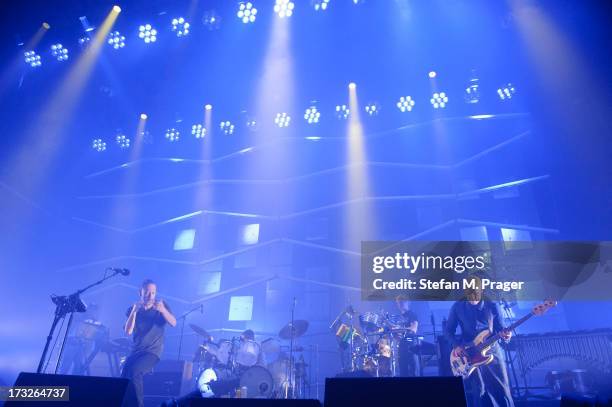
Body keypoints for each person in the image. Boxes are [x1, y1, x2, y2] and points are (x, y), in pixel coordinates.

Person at [444, 276, 514, 407]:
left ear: (481, 290)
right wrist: (457, 346)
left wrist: (507, 335)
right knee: (480, 392)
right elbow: (448, 332)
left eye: (475, 293)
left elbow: (501, 329)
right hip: (469, 354)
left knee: (502, 389)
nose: (473, 298)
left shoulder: (492, 305)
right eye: (469, 294)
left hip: (492, 351)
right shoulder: (457, 307)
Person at [122, 279, 176, 407]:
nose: (150, 296)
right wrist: (134, 311)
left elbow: (173, 323)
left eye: (153, 293)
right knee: (124, 375)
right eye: (147, 292)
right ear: (140, 292)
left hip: (152, 352)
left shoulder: (162, 307)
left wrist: (163, 310)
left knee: (135, 371)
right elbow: (128, 331)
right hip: (136, 351)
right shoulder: (133, 309)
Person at [395, 296, 420, 377]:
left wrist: (399, 329)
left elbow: (413, 329)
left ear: (407, 302)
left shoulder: (412, 314)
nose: (400, 305)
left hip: (411, 346)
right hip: (402, 347)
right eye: (398, 303)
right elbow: (398, 336)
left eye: (402, 302)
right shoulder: (399, 317)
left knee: (413, 371)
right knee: (403, 371)